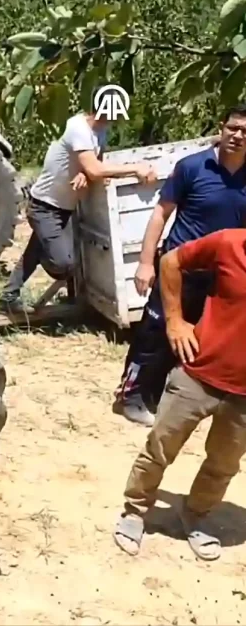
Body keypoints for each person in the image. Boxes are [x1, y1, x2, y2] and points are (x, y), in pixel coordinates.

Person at [112, 227, 246, 561]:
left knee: (224, 463)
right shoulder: (229, 242)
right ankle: (134, 511)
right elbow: (171, 260)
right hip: (198, 373)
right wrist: (175, 321)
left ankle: (196, 515)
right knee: (160, 446)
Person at [113, 104, 246, 427]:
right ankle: (130, 395)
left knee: (194, 340)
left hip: (220, 276)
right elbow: (160, 214)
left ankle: (161, 398)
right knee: (155, 334)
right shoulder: (192, 167)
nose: (238, 136)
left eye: (245, 132)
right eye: (233, 128)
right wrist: (146, 263)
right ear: (221, 128)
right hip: (179, 270)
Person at [0, 105, 157, 314]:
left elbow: (94, 163)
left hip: (65, 205)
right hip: (44, 205)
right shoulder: (78, 128)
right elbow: (95, 169)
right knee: (64, 264)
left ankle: (9, 296)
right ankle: (40, 255)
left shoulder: (101, 131)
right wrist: (134, 168)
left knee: (51, 253)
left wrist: (85, 172)